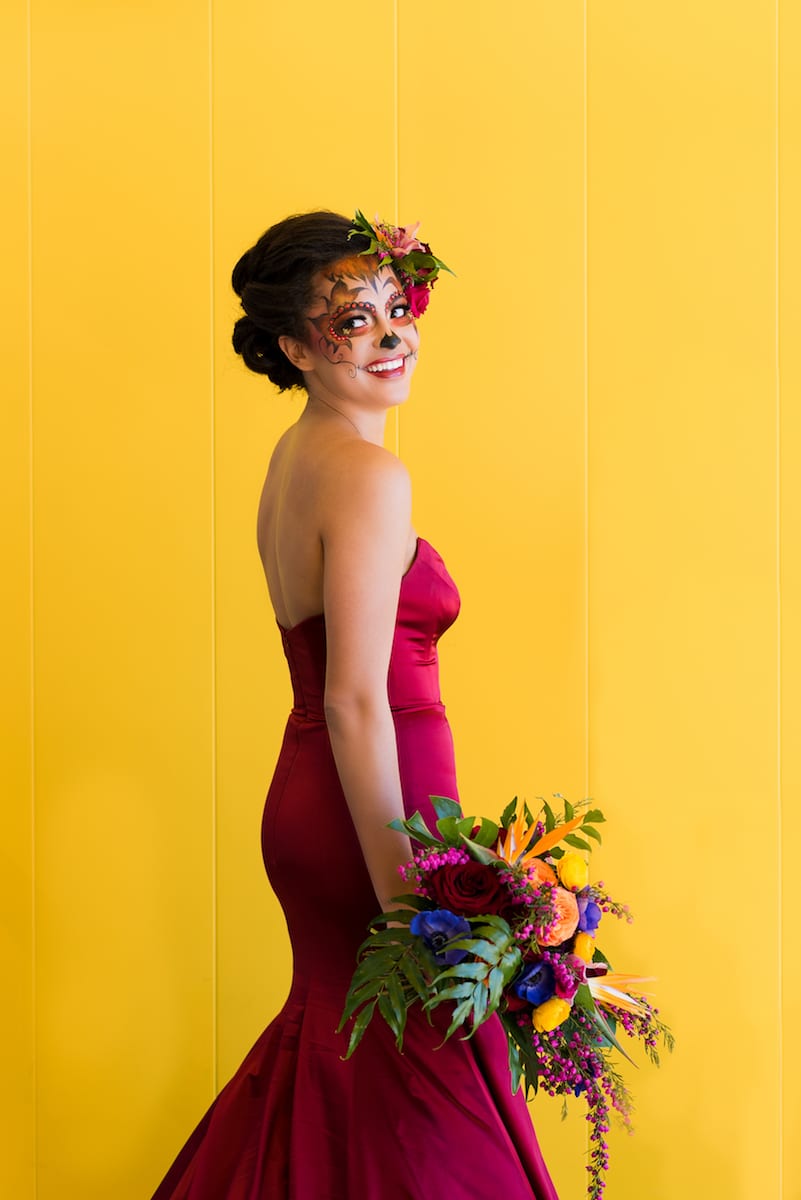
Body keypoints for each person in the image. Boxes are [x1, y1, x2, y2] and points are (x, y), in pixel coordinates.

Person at [150, 210, 558, 1199]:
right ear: (293, 347)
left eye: (395, 307)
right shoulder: (369, 476)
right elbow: (354, 700)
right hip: (367, 818)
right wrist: (407, 896)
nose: (388, 334)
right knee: (423, 1099)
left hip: (323, 806)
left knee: (348, 1060)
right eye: (350, 320)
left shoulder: (298, 461)